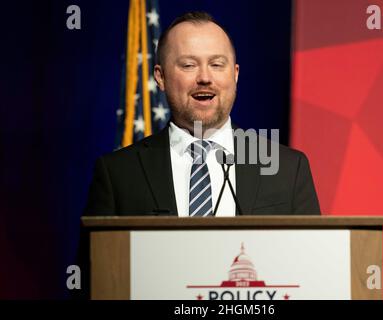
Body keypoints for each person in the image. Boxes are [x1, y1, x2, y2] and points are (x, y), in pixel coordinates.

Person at [84, 11, 320, 216]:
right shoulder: (117, 173)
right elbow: (99, 265)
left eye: (217, 64)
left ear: (235, 75)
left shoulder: (289, 168)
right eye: (188, 65)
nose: (205, 77)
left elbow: (311, 262)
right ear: (160, 77)